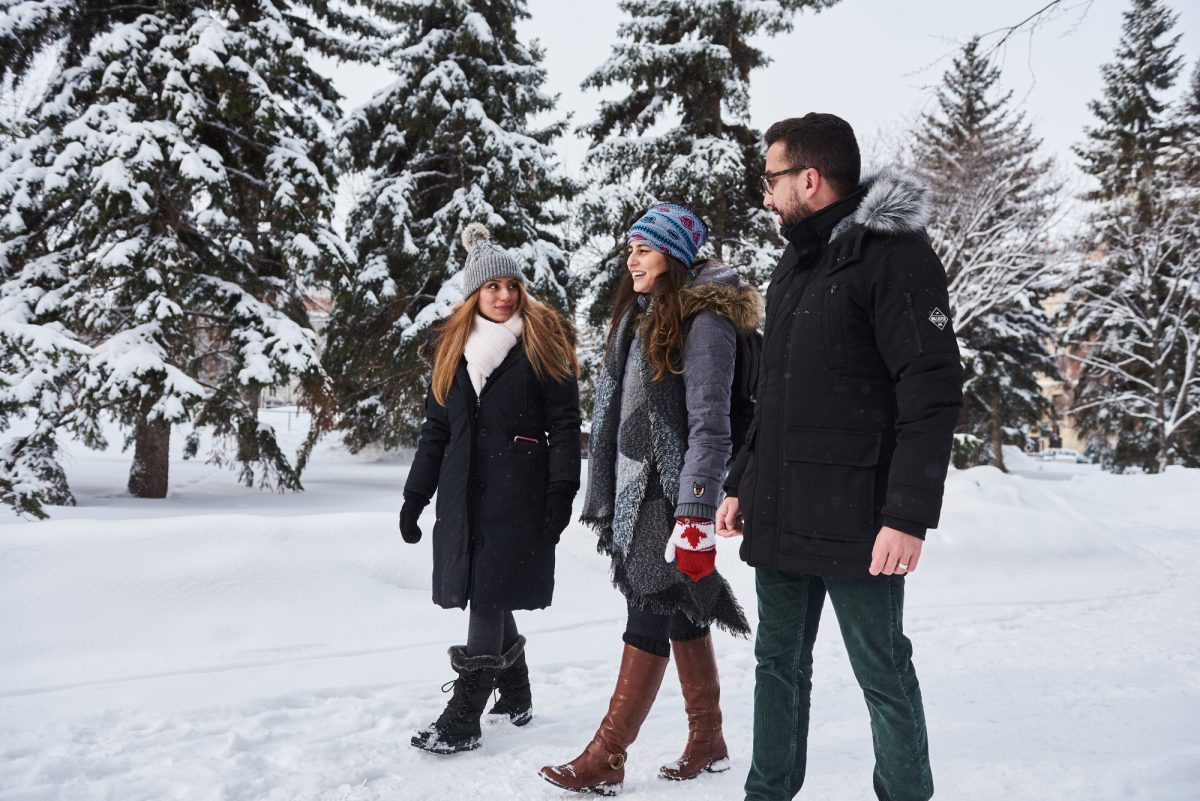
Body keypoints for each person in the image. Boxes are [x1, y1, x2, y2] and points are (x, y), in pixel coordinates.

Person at [716, 114, 964, 801]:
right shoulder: (795, 263)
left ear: (810, 179)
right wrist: (743, 480)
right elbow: (778, 395)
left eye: (772, 179)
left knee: (881, 669)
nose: (765, 195)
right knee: (776, 664)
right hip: (783, 507)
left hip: (862, 518)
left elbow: (932, 388)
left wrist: (907, 515)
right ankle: (766, 793)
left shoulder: (894, 254)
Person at [539, 203, 762, 795]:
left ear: (674, 256)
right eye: (629, 248)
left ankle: (607, 756)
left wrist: (694, 511)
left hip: (671, 493)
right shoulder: (644, 316)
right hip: (644, 490)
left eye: (644, 248)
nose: (631, 259)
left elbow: (711, 424)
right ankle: (708, 736)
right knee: (678, 606)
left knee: (648, 611)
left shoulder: (705, 322)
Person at [401, 223, 582, 755]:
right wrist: (416, 497)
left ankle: (463, 717)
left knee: (487, 594)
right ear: (473, 294)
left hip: (518, 494)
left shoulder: (543, 342)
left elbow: (566, 425)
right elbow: (437, 431)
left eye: (511, 286)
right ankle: (518, 693)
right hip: (463, 496)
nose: (504, 296)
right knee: (488, 589)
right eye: (492, 287)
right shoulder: (452, 350)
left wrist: (560, 492)